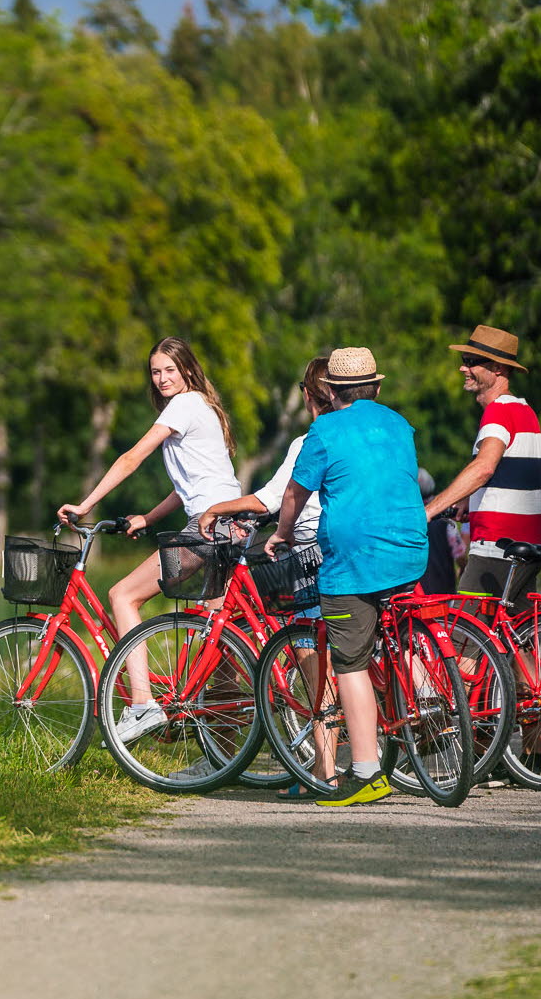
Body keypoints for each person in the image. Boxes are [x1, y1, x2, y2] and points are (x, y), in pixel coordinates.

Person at [58, 336, 242, 744]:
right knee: (218, 637)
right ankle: (225, 756)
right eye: (155, 372)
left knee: (123, 595)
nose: (161, 378)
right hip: (232, 524)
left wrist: (85, 505)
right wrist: (149, 517)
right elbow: (187, 486)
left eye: (169, 370)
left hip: (208, 527)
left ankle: (142, 705)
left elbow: (132, 458)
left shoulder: (183, 405)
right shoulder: (203, 406)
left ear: (187, 369)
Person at [266, 346, 429, 807]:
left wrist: (281, 534)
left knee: (350, 662)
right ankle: (427, 699)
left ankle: (365, 771)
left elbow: (294, 495)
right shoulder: (399, 424)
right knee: (394, 631)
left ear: (332, 391)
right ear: (375, 387)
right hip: (411, 551)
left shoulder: (326, 429)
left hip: (355, 560)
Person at [198, 355, 337, 795]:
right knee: (331, 658)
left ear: (308, 395)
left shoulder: (311, 440)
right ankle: (327, 766)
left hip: (309, 556)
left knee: (311, 660)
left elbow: (272, 499)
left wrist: (216, 509)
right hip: (350, 550)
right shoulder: (361, 434)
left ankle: (324, 773)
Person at [425, 326, 541, 597]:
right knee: (515, 624)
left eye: (471, 362)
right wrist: (471, 500)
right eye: (463, 360)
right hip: (529, 545)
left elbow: (483, 468)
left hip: (497, 546)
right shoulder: (526, 412)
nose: (463, 368)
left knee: (461, 624)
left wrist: (430, 510)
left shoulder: (498, 412)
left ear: (498, 369)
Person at [415, 469, 458, 595]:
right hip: (443, 589)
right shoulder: (445, 520)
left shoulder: (407, 518)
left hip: (417, 589)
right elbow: (459, 553)